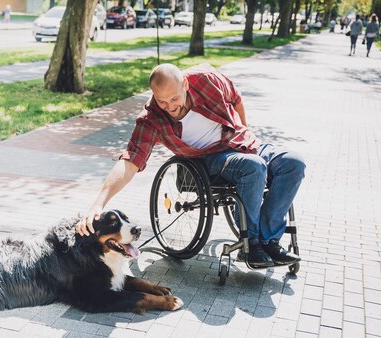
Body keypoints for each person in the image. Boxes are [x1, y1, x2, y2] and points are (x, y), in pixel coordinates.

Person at [76, 64, 306, 269]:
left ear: (185, 84)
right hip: (210, 159)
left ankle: (268, 240)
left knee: (293, 163)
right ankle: (253, 243)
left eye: (174, 99)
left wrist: (243, 131)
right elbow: (130, 161)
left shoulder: (207, 79)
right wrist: (99, 202)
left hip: (242, 144)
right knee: (253, 166)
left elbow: (235, 98)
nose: (170, 107)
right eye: (162, 101)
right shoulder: (151, 118)